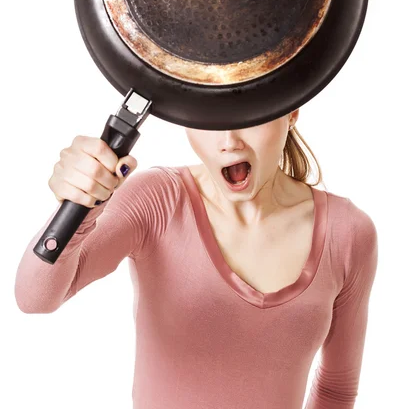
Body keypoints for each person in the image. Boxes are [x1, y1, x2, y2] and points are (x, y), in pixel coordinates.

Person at [14, 109, 378, 409]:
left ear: (292, 109)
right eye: (207, 115)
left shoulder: (347, 234)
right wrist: (79, 206)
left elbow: (335, 390)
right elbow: (35, 297)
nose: (228, 142)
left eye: (249, 112)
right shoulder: (158, 201)